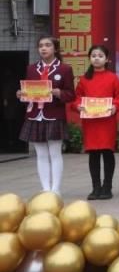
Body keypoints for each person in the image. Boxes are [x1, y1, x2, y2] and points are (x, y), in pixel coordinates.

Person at [18, 36, 75, 195]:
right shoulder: (31, 68)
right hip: (35, 114)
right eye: (41, 45)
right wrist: (22, 94)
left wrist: (59, 93)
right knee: (41, 154)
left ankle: (55, 189)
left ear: (55, 49)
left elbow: (71, 94)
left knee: (55, 153)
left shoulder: (64, 69)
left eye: (48, 45)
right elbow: (29, 90)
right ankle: (45, 188)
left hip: (54, 114)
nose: (44, 48)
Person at [74, 45, 119, 200]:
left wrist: (115, 106)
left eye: (100, 56)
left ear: (106, 59)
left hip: (106, 121)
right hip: (90, 122)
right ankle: (95, 188)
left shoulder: (112, 78)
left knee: (107, 152)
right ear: (89, 58)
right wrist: (78, 105)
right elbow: (77, 97)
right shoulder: (84, 79)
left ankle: (107, 187)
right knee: (93, 154)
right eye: (94, 56)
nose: (96, 58)